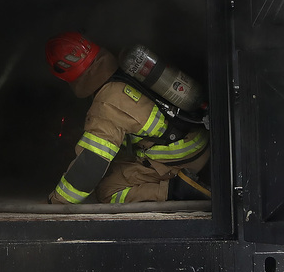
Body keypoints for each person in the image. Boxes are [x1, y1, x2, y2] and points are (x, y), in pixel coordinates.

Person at [44, 32, 209, 204]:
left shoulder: (106, 106)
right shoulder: (125, 66)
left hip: (182, 156)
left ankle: (177, 190)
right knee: (117, 164)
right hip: (197, 138)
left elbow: (91, 166)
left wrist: (57, 203)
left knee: (108, 190)